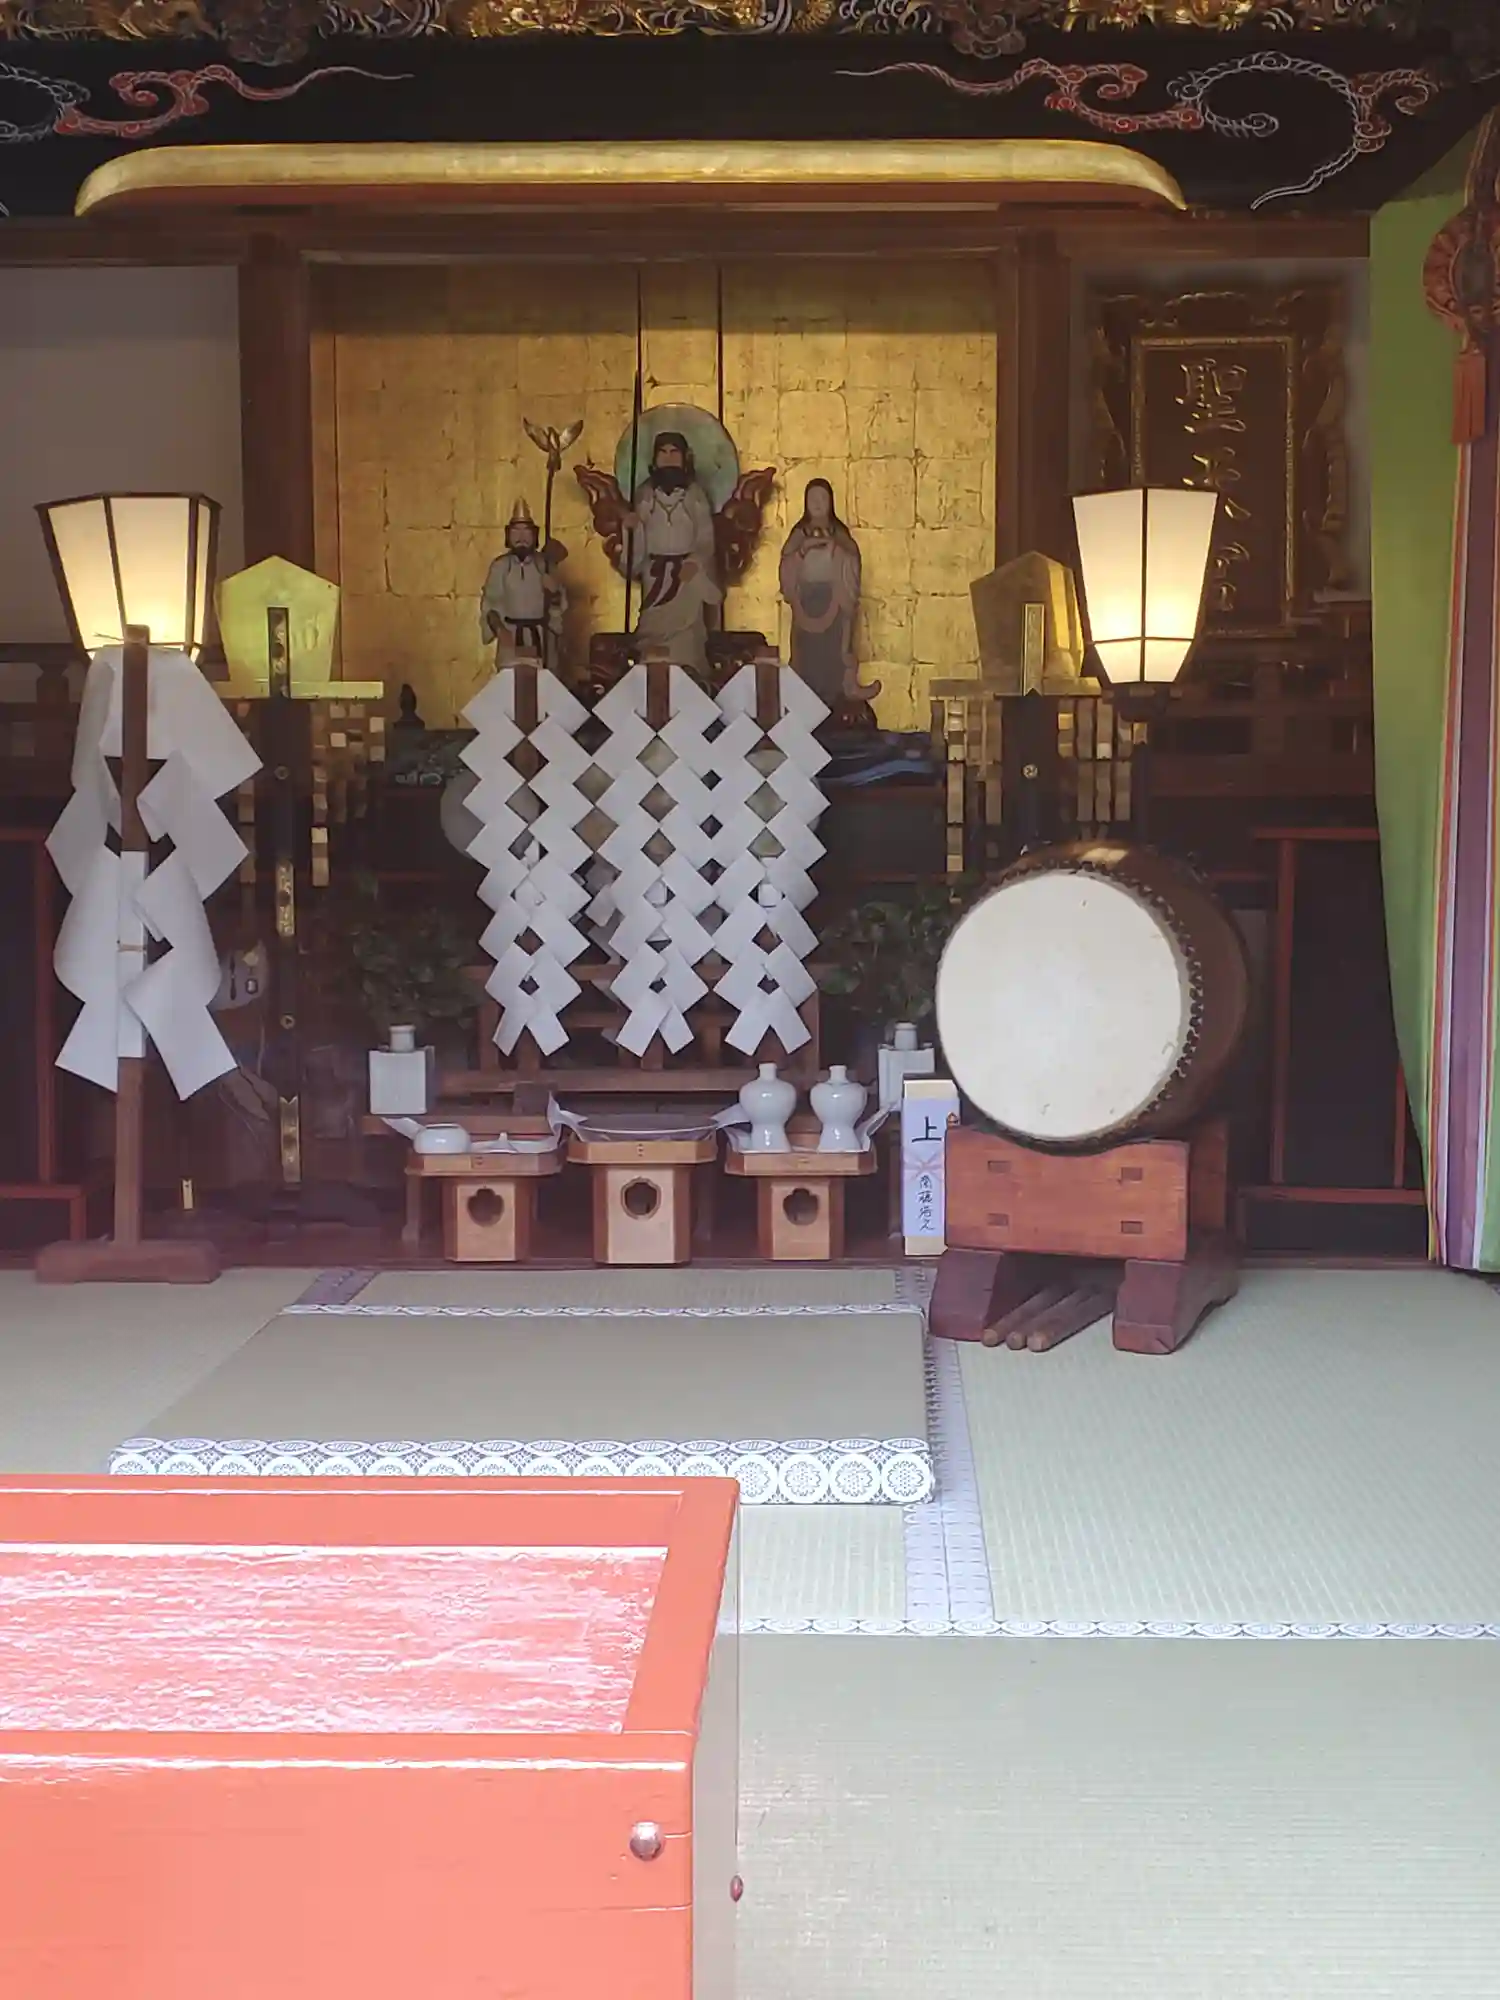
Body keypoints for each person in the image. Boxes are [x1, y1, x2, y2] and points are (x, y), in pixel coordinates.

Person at [620, 431, 722, 675]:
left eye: (674, 453)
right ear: (654, 459)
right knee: (652, 637)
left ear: (685, 458)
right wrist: (631, 529)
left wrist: (696, 561)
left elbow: (705, 536)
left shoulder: (695, 495)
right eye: (663, 453)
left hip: (685, 576)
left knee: (686, 640)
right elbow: (635, 545)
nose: (668, 458)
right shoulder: (644, 494)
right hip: (654, 575)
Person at [778, 477, 875, 709]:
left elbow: (852, 559)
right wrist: (803, 550)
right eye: (813, 498)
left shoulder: (838, 533)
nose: (818, 503)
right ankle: (804, 701)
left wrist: (836, 552)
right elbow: (786, 563)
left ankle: (834, 699)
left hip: (833, 601)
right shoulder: (799, 533)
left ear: (831, 501)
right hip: (806, 600)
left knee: (832, 652)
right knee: (806, 652)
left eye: (822, 498)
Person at [480, 499, 567, 668]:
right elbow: (489, 606)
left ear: (535, 535)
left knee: (545, 679)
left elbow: (558, 609)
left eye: (526, 532)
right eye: (516, 532)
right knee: (510, 680)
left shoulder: (546, 565)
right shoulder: (500, 567)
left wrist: (554, 593)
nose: (521, 538)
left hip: (542, 637)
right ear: (508, 535)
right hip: (511, 637)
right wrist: (500, 630)